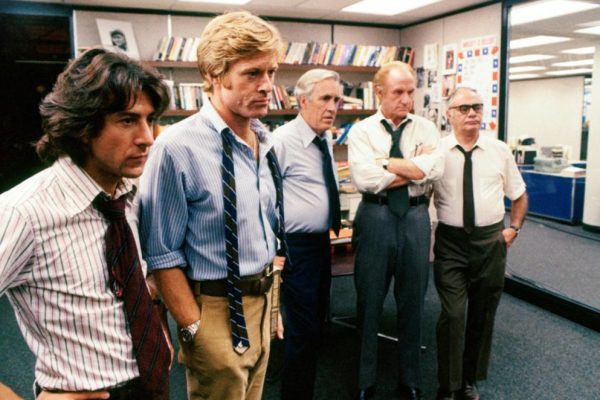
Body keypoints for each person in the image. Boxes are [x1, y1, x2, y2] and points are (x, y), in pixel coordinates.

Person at [0, 48, 172, 399]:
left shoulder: (127, 195)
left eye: (149, 119)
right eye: (127, 120)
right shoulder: (23, 211)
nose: (147, 137)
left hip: (151, 384)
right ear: (82, 128)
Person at [138, 11, 286, 400]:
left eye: (271, 72)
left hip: (262, 300)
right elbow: (161, 254)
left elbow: (265, 230)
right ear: (215, 75)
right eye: (252, 73)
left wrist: (271, 306)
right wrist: (195, 329)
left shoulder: (265, 141)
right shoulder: (176, 147)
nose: (267, 85)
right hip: (214, 308)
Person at [347, 61, 444, 400]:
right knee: (369, 301)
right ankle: (365, 381)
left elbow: (435, 170)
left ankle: (410, 380)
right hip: (375, 217)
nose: (406, 99)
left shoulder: (427, 128)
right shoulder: (361, 131)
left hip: (416, 218)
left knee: (413, 302)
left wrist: (385, 163)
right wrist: (415, 167)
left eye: (410, 92)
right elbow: (365, 179)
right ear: (379, 93)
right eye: (398, 92)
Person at [432, 87, 528, 400]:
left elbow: (519, 194)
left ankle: (468, 380)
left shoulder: (499, 150)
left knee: (482, 314)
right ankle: (448, 384)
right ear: (449, 115)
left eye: (477, 107)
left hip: (490, 241)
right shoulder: (436, 151)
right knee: (453, 314)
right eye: (464, 108)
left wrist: (513, 229)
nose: (472, 113)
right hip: (451, 243)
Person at [272, 69, 343, 400]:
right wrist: (276, 251)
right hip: (294, 247)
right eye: (325, 98)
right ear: (302, 101)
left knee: (316, 327)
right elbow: (266, 199)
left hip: (319, 245)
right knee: (303, 332)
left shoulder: (323, 138)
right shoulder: (282, 141)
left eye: (337, 100)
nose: (332, 107)